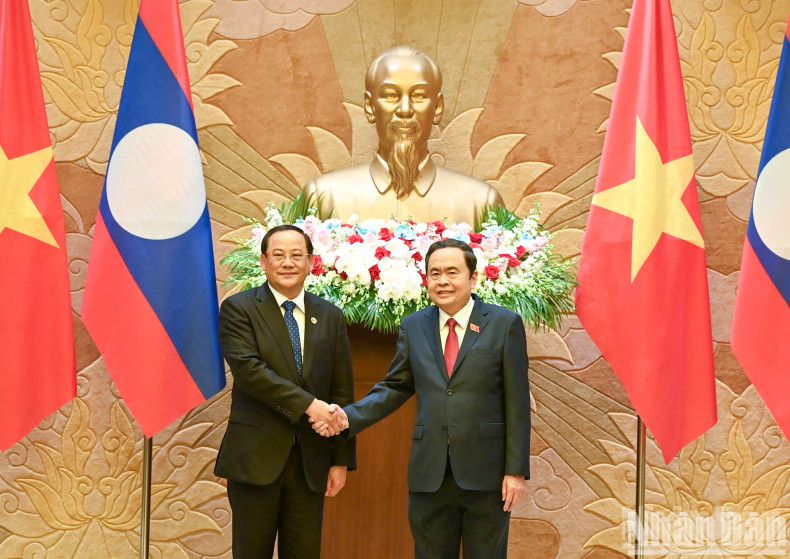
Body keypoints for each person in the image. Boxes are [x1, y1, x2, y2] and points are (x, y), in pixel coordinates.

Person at [313, 239, 530, 559]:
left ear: (473, 278)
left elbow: (517, 402)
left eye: (452, 272)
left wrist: (516, 470)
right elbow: (396, 386)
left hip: (488, 473)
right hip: (430, 474)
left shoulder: (503, 323)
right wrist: (348, 416)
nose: (443, 281)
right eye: (435, 273)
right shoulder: (414, 326)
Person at [214, 224, 355, 559]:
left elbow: (342, 390)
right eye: (278, 255)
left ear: (310, 262)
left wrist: (341, 459)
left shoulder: (331, 316)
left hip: (311, 462)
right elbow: (250, 373)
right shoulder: (239, 309)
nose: (287, 263)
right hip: (255, 459)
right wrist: (311, 406)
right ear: (264, 261)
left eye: (296, 255)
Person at [303, 46, 505, 224]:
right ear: (369, 106)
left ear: (437, 107)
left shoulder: (480, 203)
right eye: (391, 95)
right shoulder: (324, 198)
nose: (405, 110)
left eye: (419, 96)